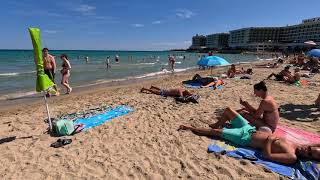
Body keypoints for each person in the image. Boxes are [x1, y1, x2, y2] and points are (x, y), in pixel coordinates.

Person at [178, 107, 320, 165]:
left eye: (309, 154)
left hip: (244, 138)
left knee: (216, 134)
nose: (306, 150)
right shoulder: (300, 146)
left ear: (308, 158)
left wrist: (269, 141)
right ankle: (216, 123)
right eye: (309, 148)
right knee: (228, 110)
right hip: (249, 128)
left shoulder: (292, 156)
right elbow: (316, 146)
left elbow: (267, 156)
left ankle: (190, 128)